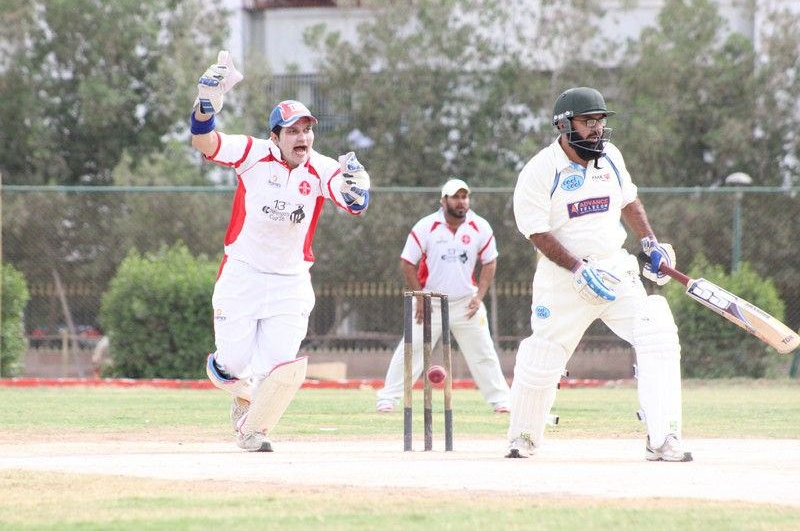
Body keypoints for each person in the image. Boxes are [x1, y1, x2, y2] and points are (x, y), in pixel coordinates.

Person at [190, 51, 371, 452]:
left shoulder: (321, 167)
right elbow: (206, 142)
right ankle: (241, 392)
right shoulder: (252, 153)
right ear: (275, 137)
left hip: (291, 280)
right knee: (234, 365)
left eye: (307, 130)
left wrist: (358, 186)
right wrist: (205, 104)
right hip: (243, 272)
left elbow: (354, 203)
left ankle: (253, 430)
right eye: (292, 131)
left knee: (277, 370)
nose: (302, 137)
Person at [507, 87, 691, 462]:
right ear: (564, 125)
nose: (596, 128)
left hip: (614, 269)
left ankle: (663, 437)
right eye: (588, 121)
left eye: (600, 121)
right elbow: (535, 231)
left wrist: (650, 243)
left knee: (656, 328)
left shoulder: (611, 158)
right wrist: (577, 267)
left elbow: (629, 201)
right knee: (543, 353)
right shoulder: (540, 170)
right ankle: (523, 436)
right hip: (563, 279)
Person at [376, 179, 511, 413]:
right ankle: (388, 399)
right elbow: (407, 262)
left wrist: (479, 296)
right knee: (411, 349)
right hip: (430, 305)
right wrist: (420, 297)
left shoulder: (480, 226)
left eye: (464, 197)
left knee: (483, 352)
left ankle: (501, 401)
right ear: (443, 200)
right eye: (455, 197)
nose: (461, 202)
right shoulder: (426, 226)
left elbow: (490, 262)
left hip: (466, 303)